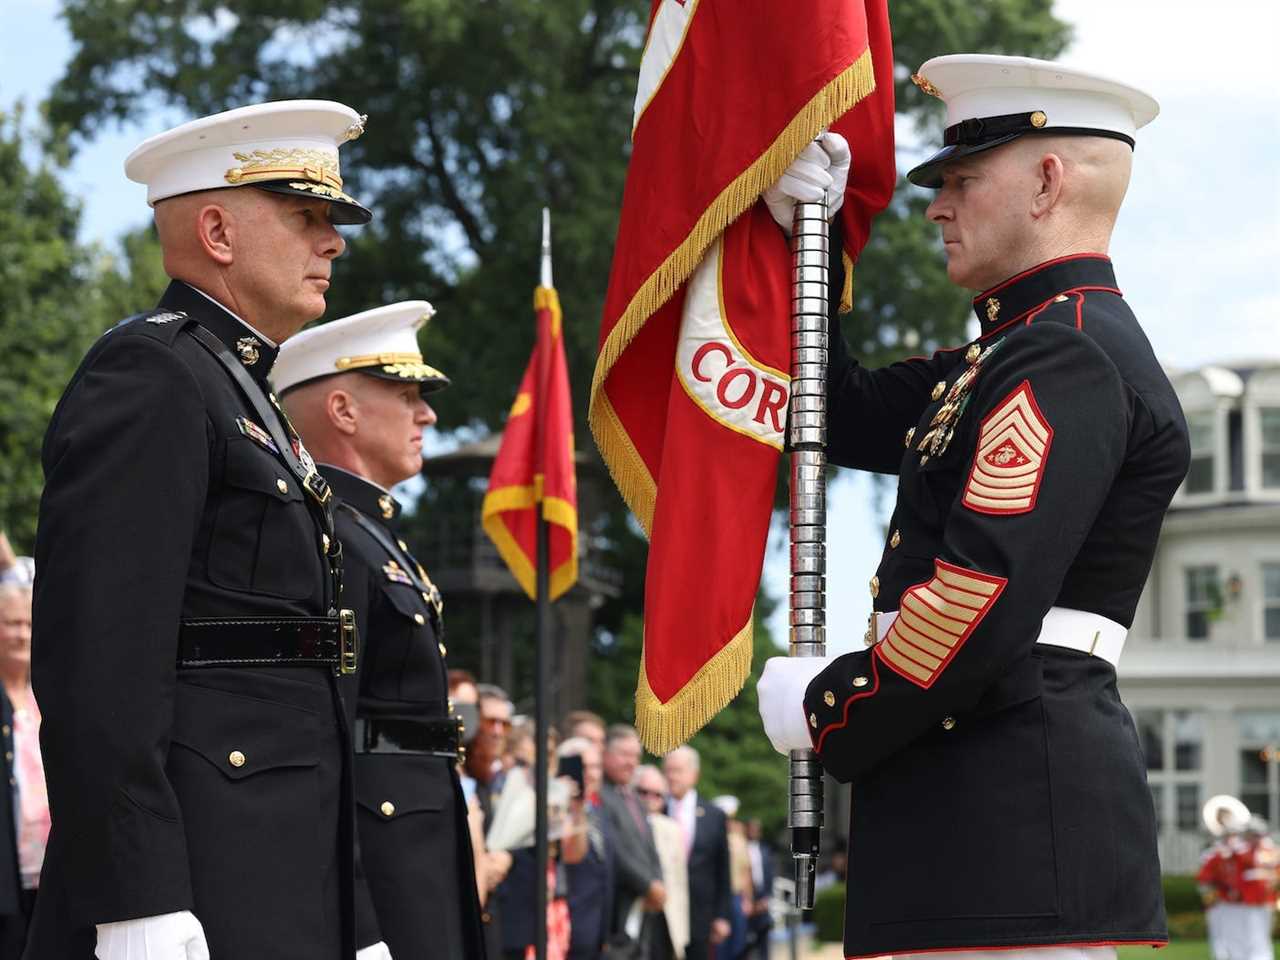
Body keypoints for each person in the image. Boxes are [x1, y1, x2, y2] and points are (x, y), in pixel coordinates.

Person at [757, 54, 1185, 960]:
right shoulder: (1006, 356)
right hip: (977, 806)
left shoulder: (1062, 359)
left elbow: (978, 596)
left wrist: (834, 705)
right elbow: (831, 410)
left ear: (1046, 181)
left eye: (961, 180)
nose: (937, 207)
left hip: (1007, 817)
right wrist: (812, 241)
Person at [27, 100, 388, 960]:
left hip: (281, 872)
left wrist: (356, 916)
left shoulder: (244, 391)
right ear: (218, 231)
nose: (332, 242)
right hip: (198, 876)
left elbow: (303, 690)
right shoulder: (152, 373)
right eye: (307, 217)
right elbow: (100, 655)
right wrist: (136, 893)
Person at [273, 300, 486, 958]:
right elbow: (317, 746)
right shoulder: (328, 539)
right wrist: (359, 919)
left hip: (417, 857)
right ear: (343, 411)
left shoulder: (373, 537)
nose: (428, 415)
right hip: (384, 881)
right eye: (408, 394)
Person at [0, 582, 45, 958]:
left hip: (51, 872)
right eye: (12, 623)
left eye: (29, 624)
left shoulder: (47, 696)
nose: (22, 634)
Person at [600, 725, 666, 952]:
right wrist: (647, 885)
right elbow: (615, 850)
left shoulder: (634, 799)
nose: (631, 762)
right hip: (617, 911)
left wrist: (658, 881)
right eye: (624, 754)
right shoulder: (600, 795)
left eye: (636, 756)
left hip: (643, 911)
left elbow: (650, 848)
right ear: (605, 754)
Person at [663, 747, 731, 960]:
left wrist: (722, 915)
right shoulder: (656, 809)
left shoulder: (714, 815)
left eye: (678, 770)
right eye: (668, 771)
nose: (672, 776)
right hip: (663, 915)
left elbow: (722, 869)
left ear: (694, 775)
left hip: (701, 917)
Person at [560, 737, 616, 960]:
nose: (592, 774)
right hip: (564, 931)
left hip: (596, 934)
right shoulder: (555, 812)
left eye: (596, 766)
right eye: (584, 767)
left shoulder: (600, 811)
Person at [636, 765, 689, 960]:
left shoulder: (672, 829)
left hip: (665, 919)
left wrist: (682, 934)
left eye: (657, 794)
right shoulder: (622, 822)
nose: (650, 798)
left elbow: (680, 884)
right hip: (635, 915)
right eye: (643, 792)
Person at [743, 819, 774, 960]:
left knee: (764, 934)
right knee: (747, 937)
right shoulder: (742, 848)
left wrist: (767, 897)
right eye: (752, 829)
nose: (755, 832)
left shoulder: (765, 849)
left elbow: (770, 875)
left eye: (757, 829)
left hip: (762, 895)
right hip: (747, 896)